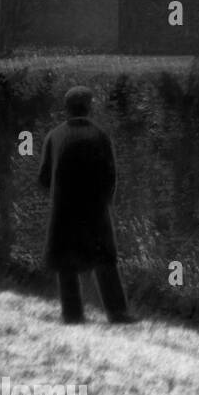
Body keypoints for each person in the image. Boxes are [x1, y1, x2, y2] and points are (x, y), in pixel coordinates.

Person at [38, 86, 133, 325]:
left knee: (66, 262)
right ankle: (117, 312)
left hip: (64, 210)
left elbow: (44, 178)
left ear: (67, 108)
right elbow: (111, 175)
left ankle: (72, 314)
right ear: (89, 107)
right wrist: (105, 200)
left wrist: (57, 193)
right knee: (104, 261)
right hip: (94, 209)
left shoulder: (54, 135)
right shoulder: (100, 135)